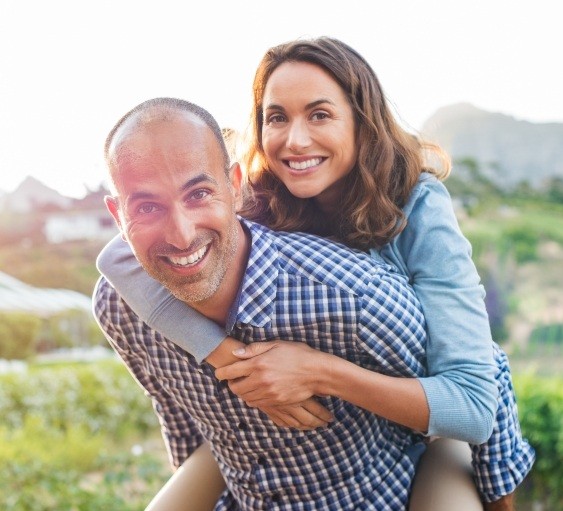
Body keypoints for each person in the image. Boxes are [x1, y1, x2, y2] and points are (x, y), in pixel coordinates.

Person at [97, 38, 535, 509]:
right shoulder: (258, 197)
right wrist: (226, 357)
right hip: (292, 437)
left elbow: (473, 388)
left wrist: (318, 371)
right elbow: (117, 258)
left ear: (361, 122)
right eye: (277, 117)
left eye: (320, 114)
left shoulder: (418, 208)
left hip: (420, 411)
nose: (295, 140)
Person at [95, 96, 438, 509]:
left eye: (199, 194)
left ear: (235, 186)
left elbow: (476, 388)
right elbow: (181, 423)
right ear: (118, 216)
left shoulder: (354, 297)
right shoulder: (120, 307)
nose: (181, 235)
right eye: (147, 207)